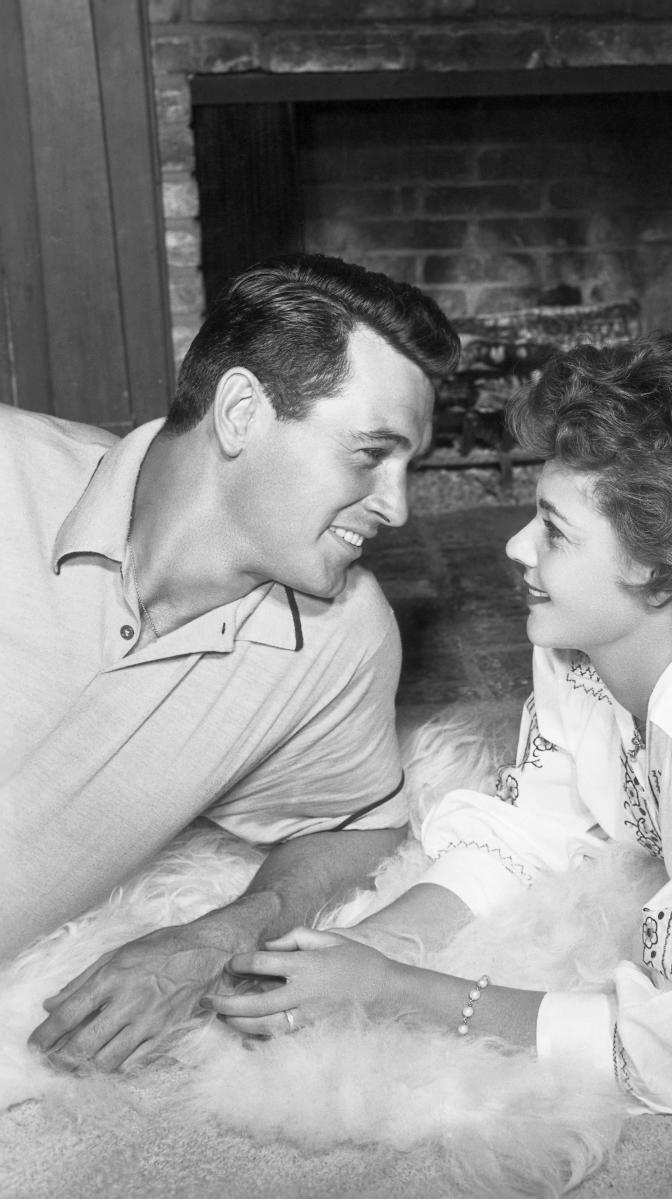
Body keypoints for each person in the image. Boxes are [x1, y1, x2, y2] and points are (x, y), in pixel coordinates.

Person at [207, 333, 672, 1113]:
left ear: (659, 566)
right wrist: (365, 945)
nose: (516, 544)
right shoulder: (576, 640)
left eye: (555, 530)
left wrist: (398, 990)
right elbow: (531, 832)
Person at [0, 253, 459, 1073]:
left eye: (407, 466)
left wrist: (219, 934)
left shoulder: (342, 635)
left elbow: (356, 826)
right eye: (369, 454)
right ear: (242, 411)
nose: (397, 505)